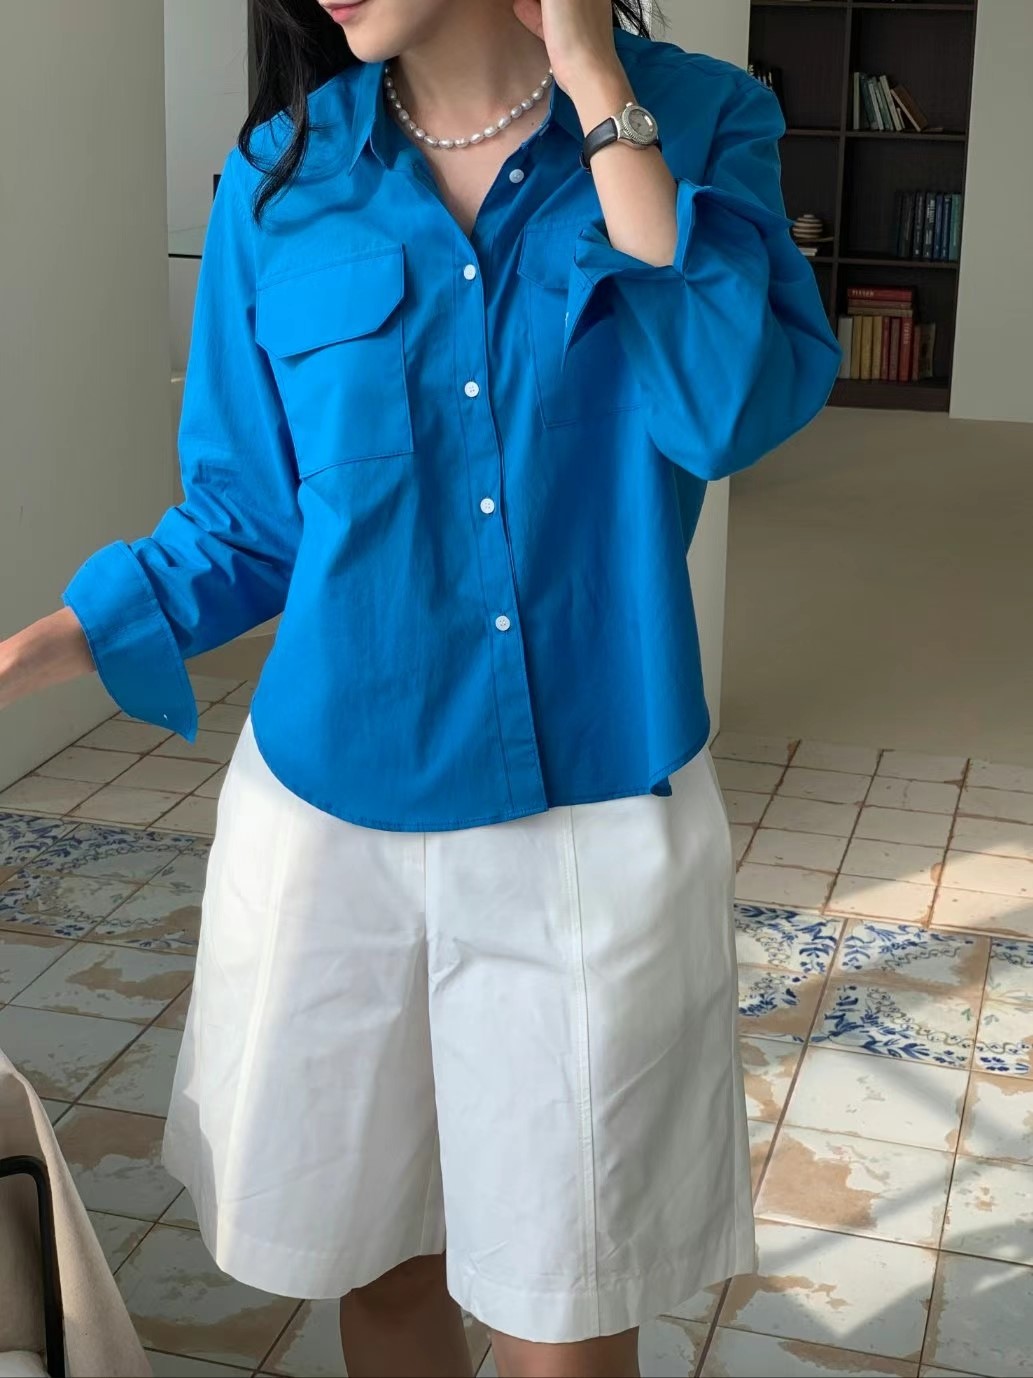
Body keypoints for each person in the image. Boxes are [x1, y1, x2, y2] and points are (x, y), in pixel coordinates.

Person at [0, 0, 840, 1373]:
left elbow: (724, 407)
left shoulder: (693, 118)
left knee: (568, 1308)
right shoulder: (280, 175)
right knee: (385, 1264)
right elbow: (248, 522)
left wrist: (589, 72)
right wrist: (26, 655)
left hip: (594, 813)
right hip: (331, 825)